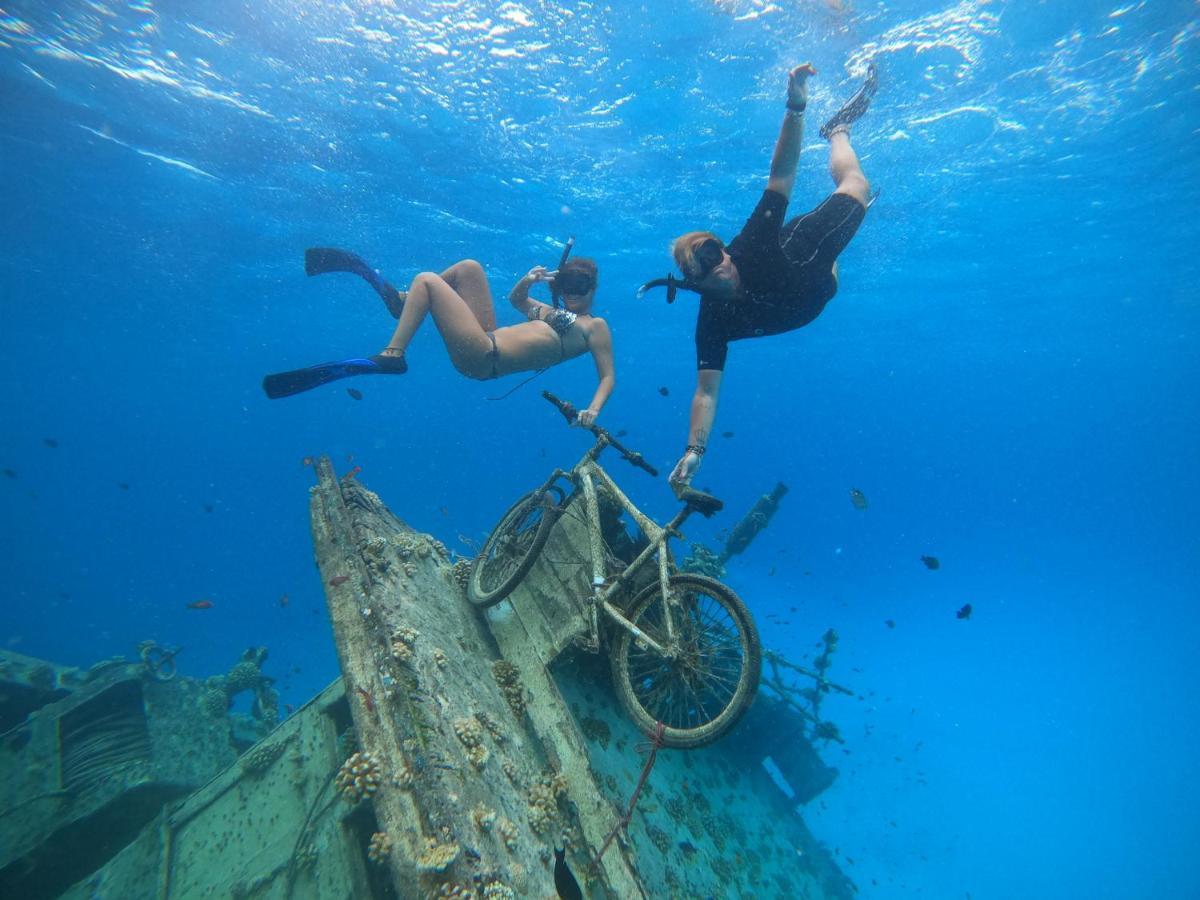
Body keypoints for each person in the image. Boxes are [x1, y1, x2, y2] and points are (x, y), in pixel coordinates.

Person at [665, 62, 876, 485]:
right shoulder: (712, 323)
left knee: (857, 186)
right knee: (831, 277)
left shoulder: (750, 244)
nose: (718, 261)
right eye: (703, 262)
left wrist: (796, 107)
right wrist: (694, 451)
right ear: (692, 281)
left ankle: (837, 130)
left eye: (714, 249)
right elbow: (706, 391)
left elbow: (781, 173)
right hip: (815, 291)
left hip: (802, 252)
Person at [263, 251, 615, 425]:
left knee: (428, 280)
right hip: (485, 337)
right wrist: (529, 280)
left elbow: (608, 376)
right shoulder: (554, 314)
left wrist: (593, 410)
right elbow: (517, 301)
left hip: (482, 357)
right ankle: (404, 303)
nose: (574, 295)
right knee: (469, 268)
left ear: (594, 290)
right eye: (567, 286)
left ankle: (394, 353)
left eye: (581, 288)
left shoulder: (593, 327)